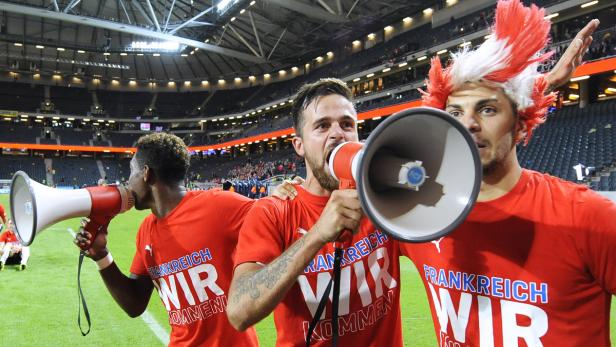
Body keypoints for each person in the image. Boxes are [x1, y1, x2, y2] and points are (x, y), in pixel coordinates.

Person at [400, 1, 613, 345]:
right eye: (454, 113)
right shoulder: (415, 216)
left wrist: (536, 91)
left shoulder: (587, 216)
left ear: (521, 127)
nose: (468, 123)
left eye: (486, 109)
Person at [75, 133, 302, 346]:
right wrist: (101, 256)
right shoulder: (146, 230)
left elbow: (273, 216)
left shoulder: (219, 205)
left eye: (131, 172)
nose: (128, 181)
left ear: (146, 173)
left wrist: (283, 196)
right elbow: (134, 304)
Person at [228, 78, 403, 346]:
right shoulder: (273, 211)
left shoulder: (384, 198)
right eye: (322, 126)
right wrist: (316, 235)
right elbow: (239, 312)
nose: (337, 134)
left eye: (347, 124)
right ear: (299, 145)